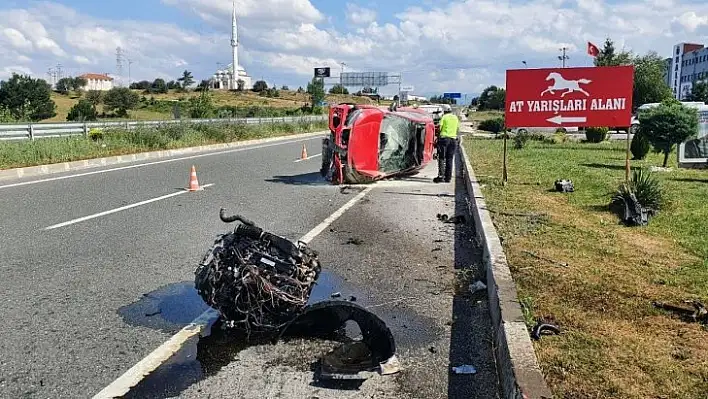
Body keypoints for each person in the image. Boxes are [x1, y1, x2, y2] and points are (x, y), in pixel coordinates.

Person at [434, 105, 459, 183]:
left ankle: (441, 176)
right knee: (450, 159)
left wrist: (437, 136)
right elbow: (457, 129)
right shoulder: (455, 118)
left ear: (444, 111)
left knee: (441, 157)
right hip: (453, 140)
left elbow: (440, 128)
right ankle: (448, 178)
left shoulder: (444, 117)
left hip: (444, 139)